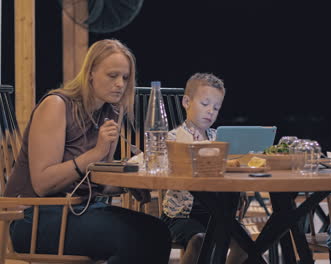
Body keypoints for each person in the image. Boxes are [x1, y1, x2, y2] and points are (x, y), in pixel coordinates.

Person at [4, 39, 171, 263]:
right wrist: (95, 153)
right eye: (112, 76)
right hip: (33, 217)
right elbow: (43, 183)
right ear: (90, 73)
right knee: (133, 238)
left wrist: (127, 184)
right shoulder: (56, 105)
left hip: (78, 209)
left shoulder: (111, 111)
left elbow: (96, 180)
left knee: (158, 232)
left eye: (125, 77)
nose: (120, 84)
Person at [161, 73, 246, 264]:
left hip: (214, 214)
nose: (210, 111)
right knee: (200, 240)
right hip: (180, 216)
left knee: (245, 242)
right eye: (205, 104)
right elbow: (166, 170)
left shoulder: (219, 138)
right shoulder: (174, 138)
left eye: (216, 108)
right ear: (186, 102)